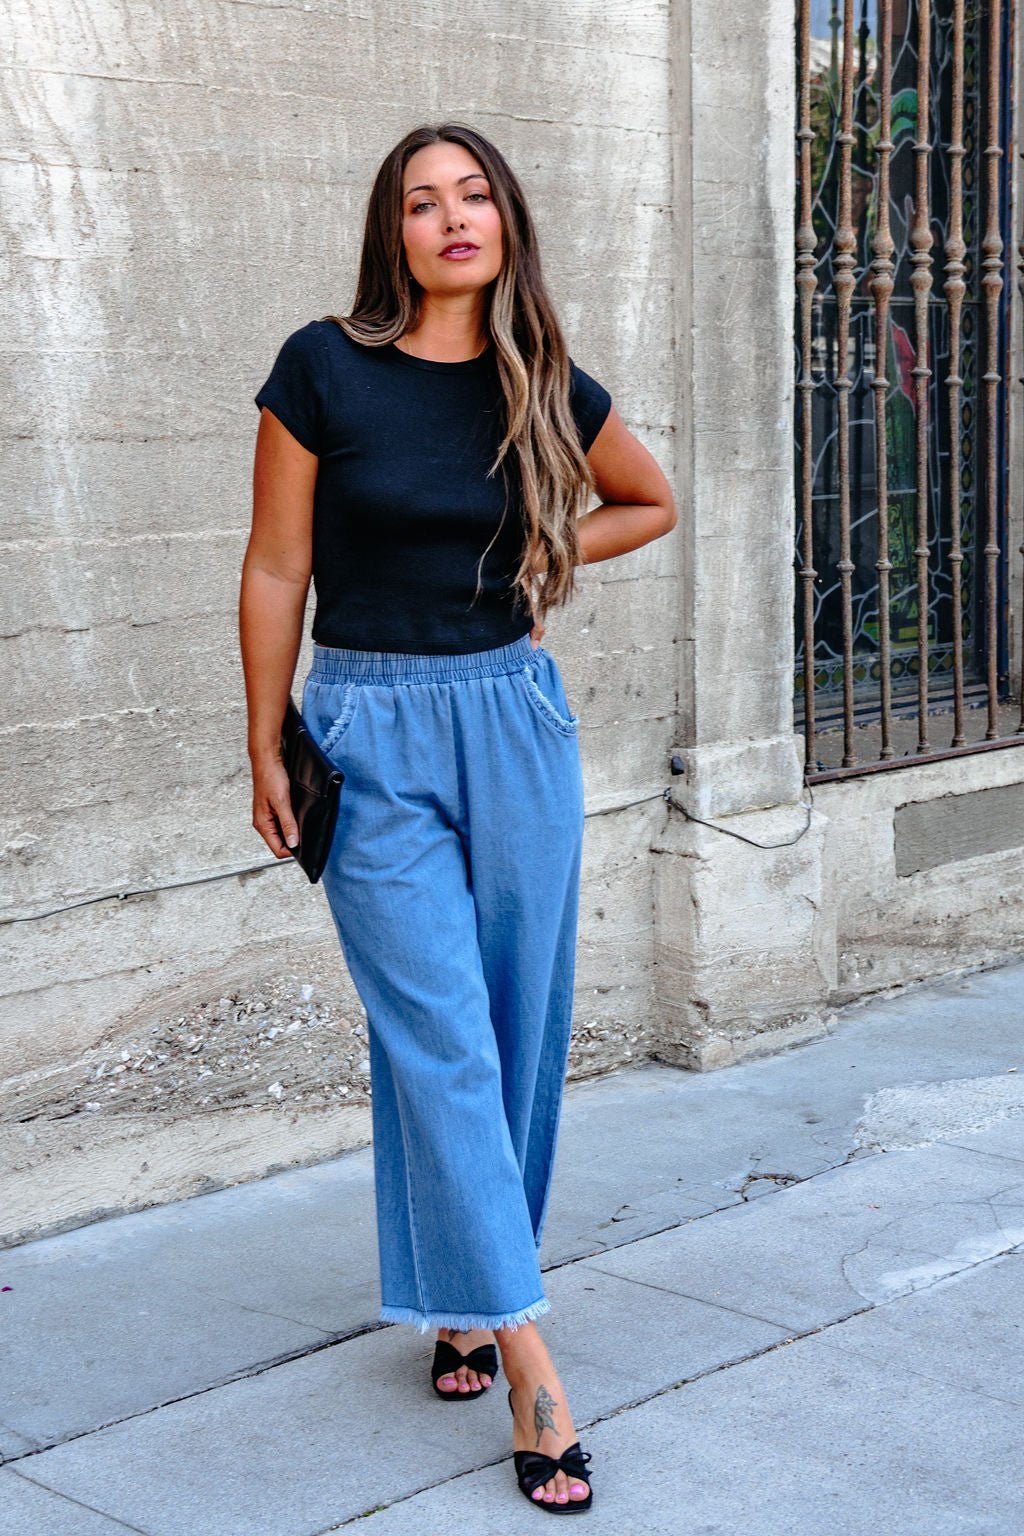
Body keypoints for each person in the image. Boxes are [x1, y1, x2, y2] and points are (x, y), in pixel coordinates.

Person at [240, 122, 675, 1515]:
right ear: (395, 232)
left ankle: (466, 1302)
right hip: (367, 730)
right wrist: (265, 735)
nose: (451, 217)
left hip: (515, 722)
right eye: (422, 201)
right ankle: (532, 1359)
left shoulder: (540, 378)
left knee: (513, 1029)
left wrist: (556, 549)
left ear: (506, 222)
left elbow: (648, 501)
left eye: (473, 193)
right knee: (437, 1038)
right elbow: (274, 566)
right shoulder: (322, 367)